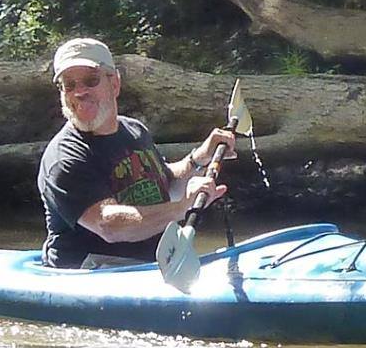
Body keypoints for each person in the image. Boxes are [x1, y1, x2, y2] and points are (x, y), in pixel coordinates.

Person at [38, 37, 237, 269]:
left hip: (149, 266)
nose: (79, 92)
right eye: (69, 85)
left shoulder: (134, 130)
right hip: (91, 274)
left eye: (91, 81)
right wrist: (183, 207)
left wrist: (198, 159)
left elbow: (164, 181)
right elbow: (108, 225)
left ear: (114, 84)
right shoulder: (64, 159)